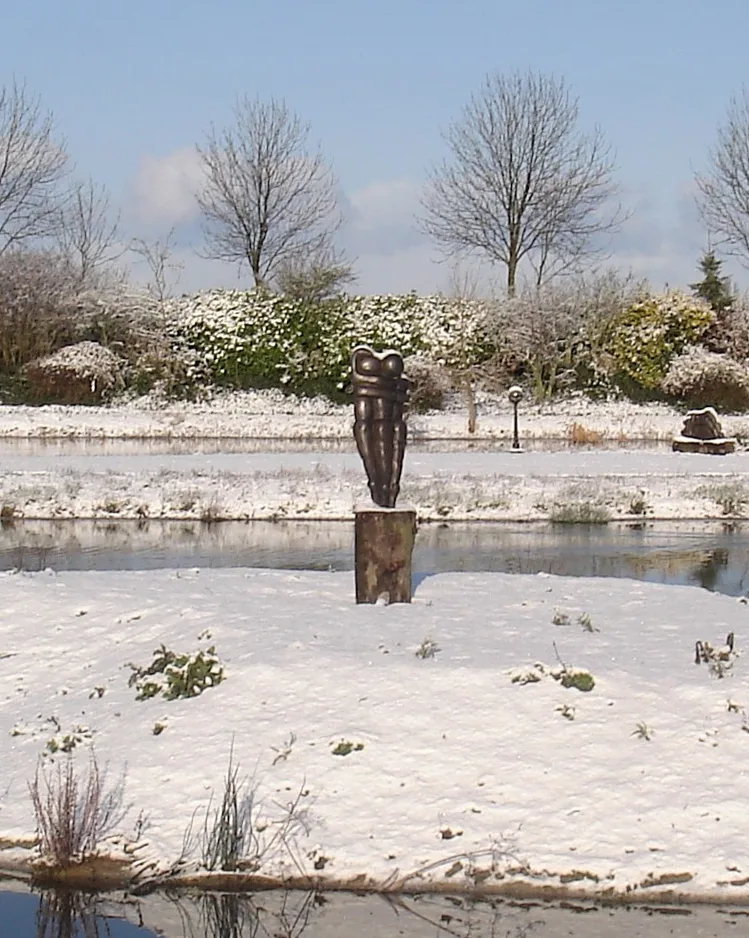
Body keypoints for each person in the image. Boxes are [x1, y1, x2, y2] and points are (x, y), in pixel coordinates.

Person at [351, 345, 409, 508]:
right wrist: (390, 392)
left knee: (387, 436)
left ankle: (388, 489)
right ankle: (377, 487)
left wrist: (386, 392)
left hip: (389, 414)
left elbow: (404, 392)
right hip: (369, 413)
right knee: (368, 434)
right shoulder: (360, 357)